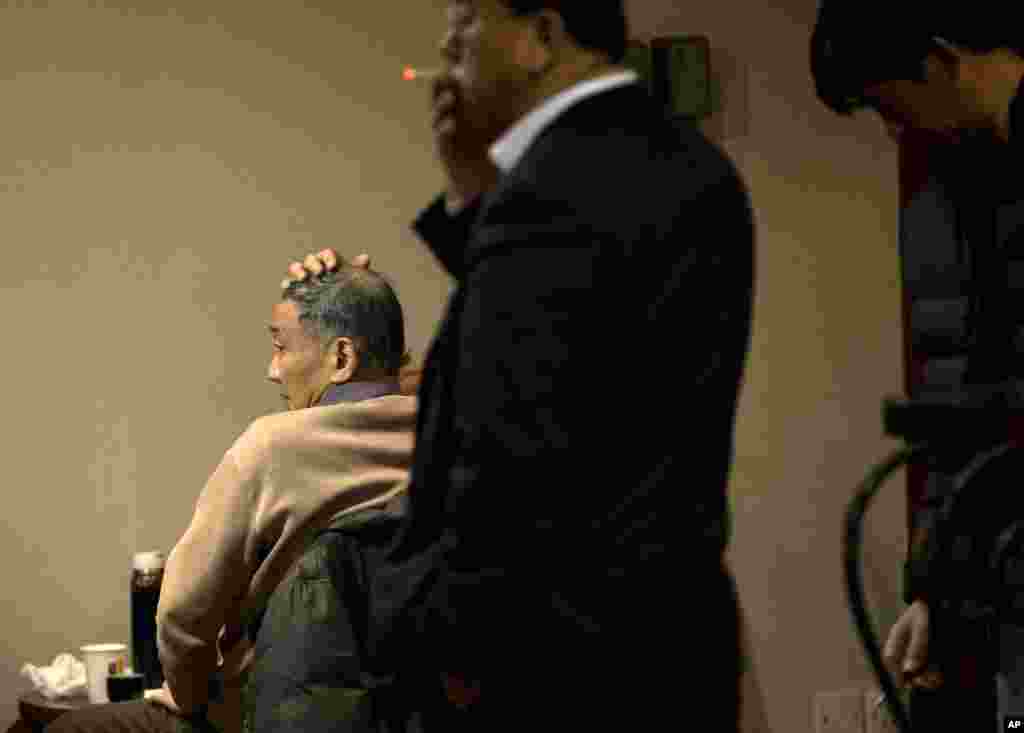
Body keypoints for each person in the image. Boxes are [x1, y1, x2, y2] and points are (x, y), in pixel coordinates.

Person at [284, 1, 755, 729]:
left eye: (468, 19)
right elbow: (594, 361)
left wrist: (431, 645)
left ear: (541, 36)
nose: (445, 42)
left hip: (554, 667)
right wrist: (474, 193)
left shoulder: (552, 191)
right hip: (665, 641)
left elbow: (506, 450)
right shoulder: (690, 165)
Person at [45, 266, 418, 733]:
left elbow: (184, 613)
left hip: (266, 713)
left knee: (69, 729)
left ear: (341, 357)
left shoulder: (273, 447)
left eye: (281, 347)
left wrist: (193, 697)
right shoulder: (446, 441)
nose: (272, 368)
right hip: (408, 711)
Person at [810, 0, 1024, 709]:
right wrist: (937, 587)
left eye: (888, 105)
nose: (895, 127)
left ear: (942, 60)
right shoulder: (954, 190)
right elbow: (960, 395)